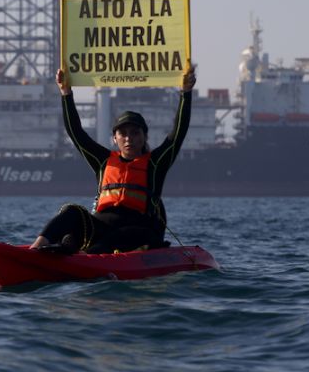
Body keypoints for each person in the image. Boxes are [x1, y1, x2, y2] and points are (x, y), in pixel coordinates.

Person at [30, 62, 197, 254]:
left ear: (144, 137)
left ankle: (82, 255)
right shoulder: (103, 161)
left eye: (135, 133)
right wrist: (66, 93)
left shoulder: (155, 163)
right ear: (115, 138)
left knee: (125, 235)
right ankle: (37, 248)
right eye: (123, 134)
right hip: (100, 228)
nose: (129, 139)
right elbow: (76, 133)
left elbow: (178, 133)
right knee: (71, 211)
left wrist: (185, 92)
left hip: (138, 232)